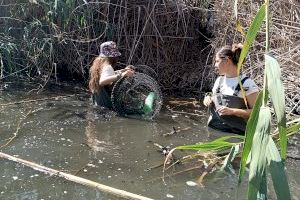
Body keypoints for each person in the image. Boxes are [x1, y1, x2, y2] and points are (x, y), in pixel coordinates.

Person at [203, 43, 259, 134]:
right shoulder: (219, 80)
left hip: (237, 135)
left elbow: (256, 113)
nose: (215, 65)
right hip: (214, 131)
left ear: (227, 60)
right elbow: (213, 97)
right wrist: (207, 99)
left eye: (217, 61)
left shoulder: (247, 84)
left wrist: (232, 111)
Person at [89, 41, 134, 109]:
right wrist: (122, 75)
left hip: (97, 105)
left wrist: (122, 71)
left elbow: (107, 74)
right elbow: (102, 81)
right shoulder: (108, 67)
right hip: (106, 108)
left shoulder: (99, 64)